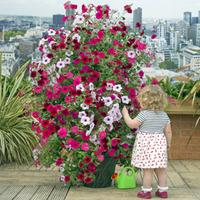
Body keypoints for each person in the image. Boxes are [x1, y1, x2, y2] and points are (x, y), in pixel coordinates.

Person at [122, 85, 172, 199]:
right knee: (161, 169)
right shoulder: (164, 115)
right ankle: (163, 191)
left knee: (148, 169)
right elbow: (168, 131)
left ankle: (146, 191)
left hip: (146, 145)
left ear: (144, 100)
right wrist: (169, 144)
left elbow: (132, 124)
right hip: (159, 144)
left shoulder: (144, 114)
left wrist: (125, 114)